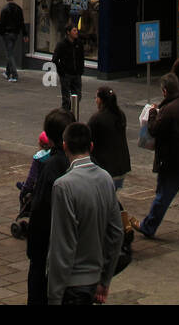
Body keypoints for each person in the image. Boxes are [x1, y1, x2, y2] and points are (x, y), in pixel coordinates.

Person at [47, 121, 124, 305]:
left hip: (71, 284)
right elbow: (116, 233)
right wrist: (105, 279)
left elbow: (62, 244)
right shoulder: (105, 178)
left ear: (64, 146)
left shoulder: (63, 186)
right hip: (93, 278)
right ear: (91, 146)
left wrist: (54, 295)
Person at [138, 73, 179, 247]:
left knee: (162, 198)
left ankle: (149, 227)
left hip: (171, 163)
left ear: (165, 91)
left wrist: (153, 113)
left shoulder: (167, 111)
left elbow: (153, 130)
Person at [26, 108, 73, 305]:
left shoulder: (52, 167)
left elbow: (40, 213)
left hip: (50, 250)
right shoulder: (86, 163)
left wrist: (33, 248)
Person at [87, 86, 130, 191]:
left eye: (96, 97)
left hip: (106, 169)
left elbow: (88, 140)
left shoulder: (97, 119)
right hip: (121, 166)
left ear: (100, 100)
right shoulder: (120, 115)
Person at [52, 25, 85, 113]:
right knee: (66, 97)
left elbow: (81, 58)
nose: (76, 32)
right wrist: (61, 72)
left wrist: (80, 70)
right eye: (74, 30)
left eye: (76, 30)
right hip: (66, 74)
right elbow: (54, 59)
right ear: (68, 32)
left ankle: (72, 110)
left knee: (78, 96)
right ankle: (65, 113)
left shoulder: (79, 43)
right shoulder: (62, 44)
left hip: (76, 74)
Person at [0, 0, 27, 82]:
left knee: (9, 54)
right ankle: (7, 72)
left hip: (7, 33)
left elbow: (2, 23)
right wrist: (25, 34)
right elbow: (22, 22)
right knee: (9, 52)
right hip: (15, 33)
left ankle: (14, 74)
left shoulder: (5, 9)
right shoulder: (18, 9)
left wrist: (1, 33)